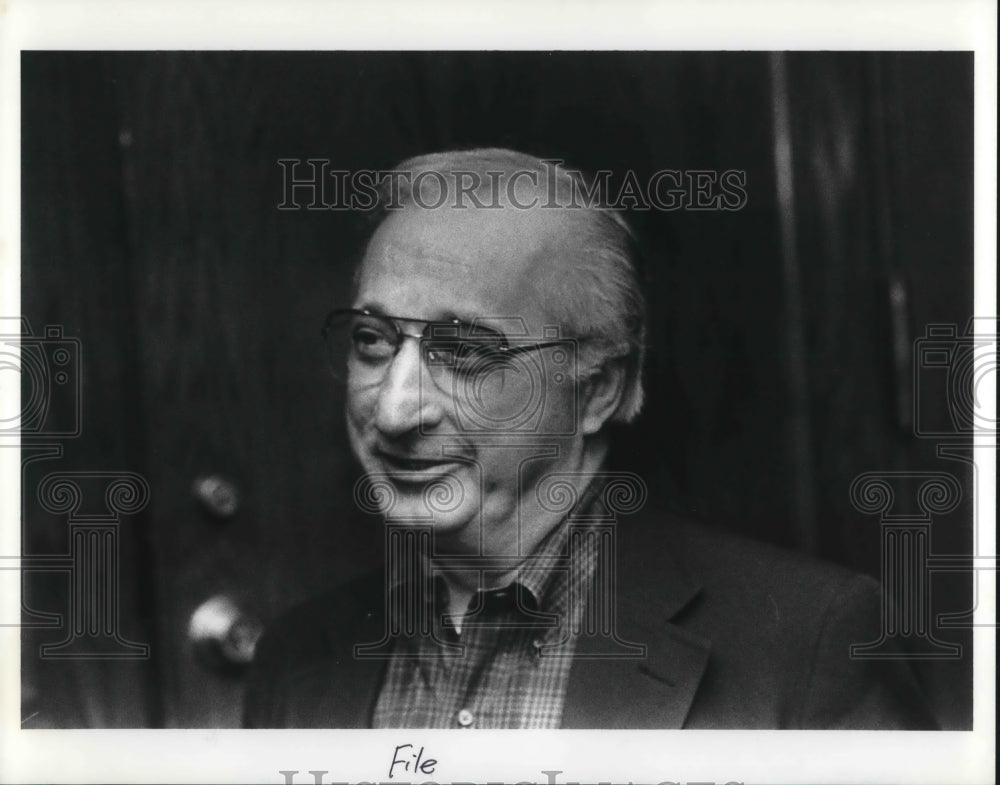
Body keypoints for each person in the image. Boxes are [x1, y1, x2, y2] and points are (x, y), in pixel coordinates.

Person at [243, 148, 937, 729]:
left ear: (599, 388)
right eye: (372, 340)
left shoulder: (808, 642)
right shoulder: (297, 656)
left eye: (463, 351)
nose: (394, 411)